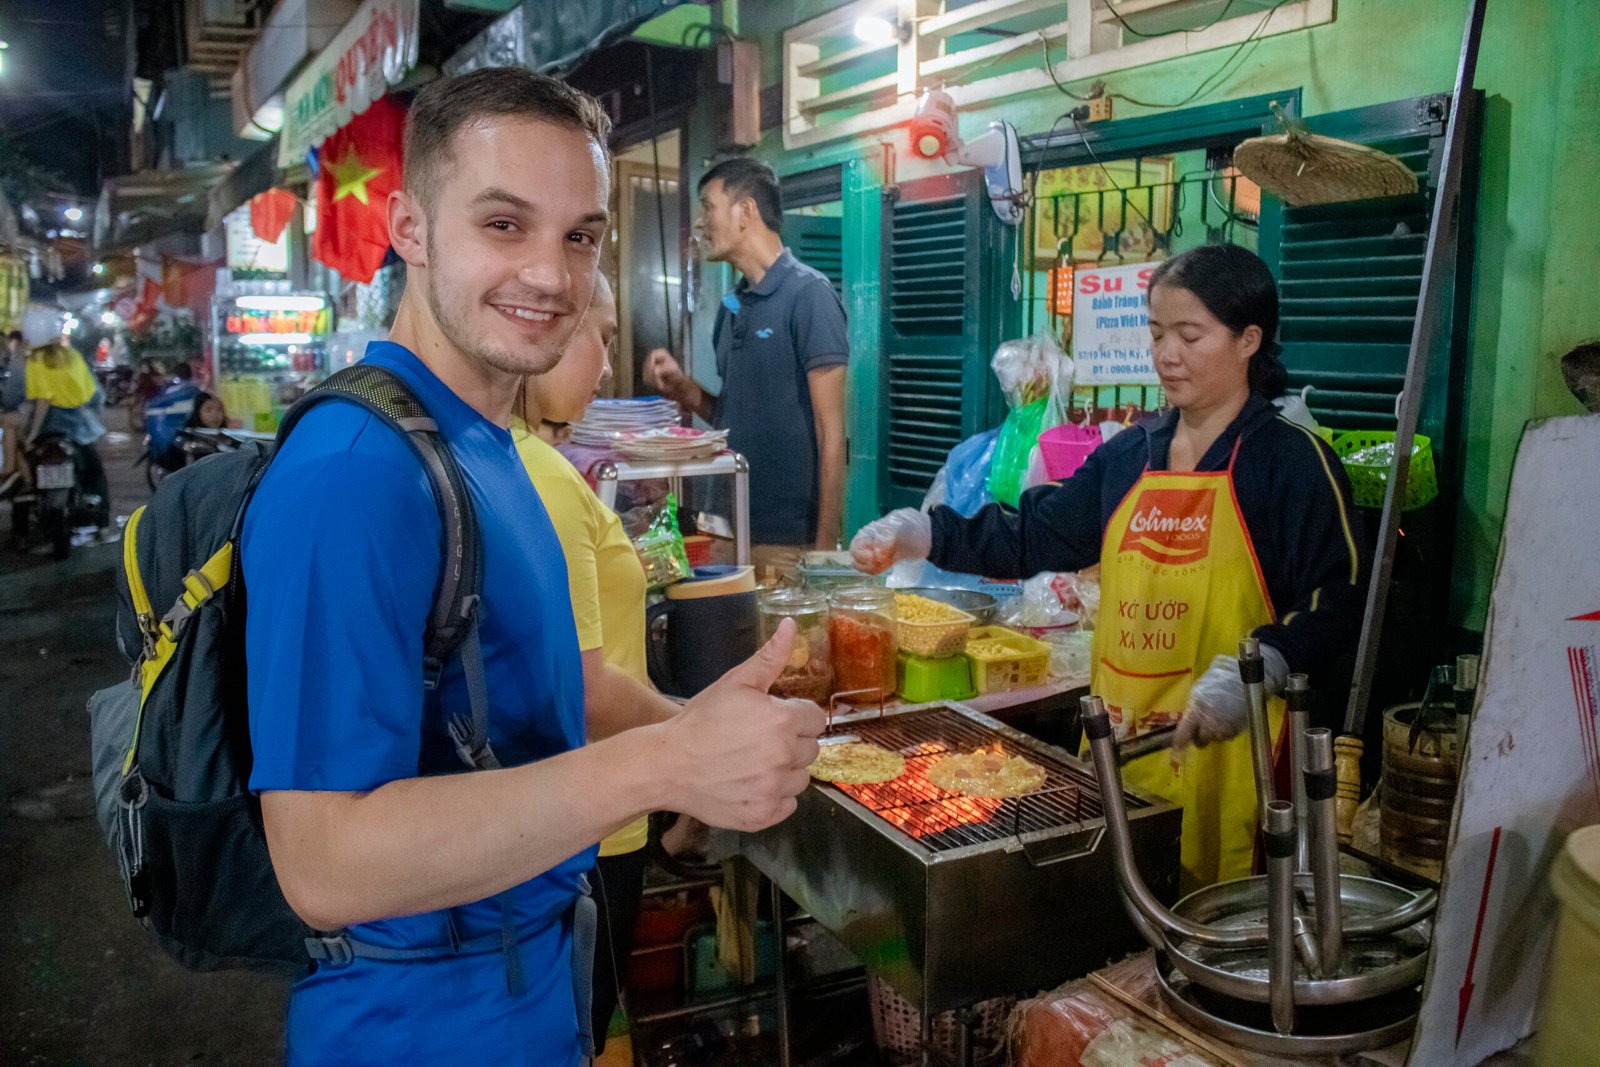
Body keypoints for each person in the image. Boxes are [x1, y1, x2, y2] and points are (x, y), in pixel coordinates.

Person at [242, 68, 823, 1067]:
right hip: (417, 1019)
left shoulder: (488, 439)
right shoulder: (355, 471)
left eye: (580, 235)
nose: (552, 275)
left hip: (529, 977)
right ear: (410, 228)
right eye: (504, 224)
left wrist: (693, 730)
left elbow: (552, 691)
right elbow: (323, 860)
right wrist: (666, 763)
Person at [852, 244, 1368, 891]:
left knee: (1221, 930)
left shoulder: (1291, 463)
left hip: (1238, 758)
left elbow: (1340, 598)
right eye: (1156, 333)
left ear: (1248, 340)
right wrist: (926, 530)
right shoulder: (1130, 456)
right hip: (1121, 751)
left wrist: (1263, 664)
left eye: (1190, 334)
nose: (1166, 354)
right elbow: (1036, 535)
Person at [511, 271, 658, 1052]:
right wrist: (695, 735)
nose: (606, 365)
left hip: (583, 804)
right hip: (599, 816)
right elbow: (588, 687)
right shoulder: (548, 477)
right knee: (585, 1025)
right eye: (601, 335)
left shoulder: (523, 456)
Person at [642, 157, 849, 578]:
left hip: (790, 544)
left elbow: (832, 436)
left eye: (707, 207)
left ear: (746, 211)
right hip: (724, 531)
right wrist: (684, 388)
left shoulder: (809, 296)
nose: (700, 223)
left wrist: (824, 554)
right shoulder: (732, 305)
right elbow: (730, 418)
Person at [22, 332, 111, 527]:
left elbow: (42, 400)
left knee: (27, 474)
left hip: (48, 427)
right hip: (79, 427)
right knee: (95, 473)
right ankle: (103, 524)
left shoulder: (34, 360)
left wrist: (32, 433)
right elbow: (94, 395)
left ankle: (20, 530)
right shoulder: (72, 356)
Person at [1, 330, 29, 498]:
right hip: (74, 422)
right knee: (19, 444)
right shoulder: (71, 358)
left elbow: (10, 398)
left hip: (41, 418)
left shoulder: (19, 361)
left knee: (7, 422)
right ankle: (26, 480)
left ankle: (8, 471)